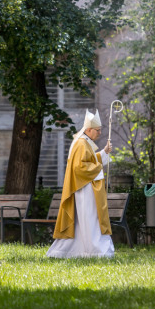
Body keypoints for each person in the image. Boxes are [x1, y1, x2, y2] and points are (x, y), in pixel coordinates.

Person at [47, 109, 114, 258]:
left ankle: (79, 251)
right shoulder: (81, 143)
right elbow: (80, 168)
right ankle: (95, 251)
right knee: (90, 219)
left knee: (86, 220)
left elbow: (89, 160)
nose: (100, 133)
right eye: (97, 130)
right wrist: (99, 167)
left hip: (85, 187)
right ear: (88, 130)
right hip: (84, 188)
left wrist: (104, 153)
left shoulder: (83, 142)